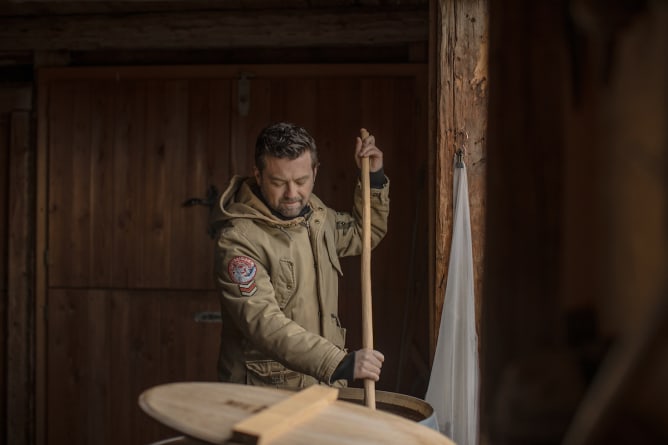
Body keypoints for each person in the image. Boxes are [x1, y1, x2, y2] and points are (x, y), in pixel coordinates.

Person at [210, 122, 389, 389]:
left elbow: (362, 233)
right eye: (279, 182)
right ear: (258, 175)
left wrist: (373, 179)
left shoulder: (317, 216)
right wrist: (338, 363)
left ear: (315, 172)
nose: (292, 194)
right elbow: (264, 323)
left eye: (301, 181)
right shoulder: (239, 240)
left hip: (322, 388)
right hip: (264, 394)